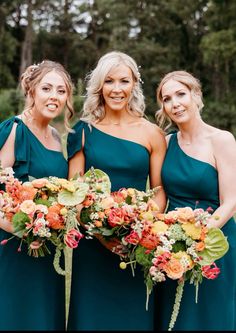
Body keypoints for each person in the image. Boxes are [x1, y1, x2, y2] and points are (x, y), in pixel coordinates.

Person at [67, 51, 167, 330]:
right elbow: (74, 192)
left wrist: (139, 230)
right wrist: (102, 234)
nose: (116, 89)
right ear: (99, 86)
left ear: (134, 83)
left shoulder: (152, 133)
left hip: (138, 245)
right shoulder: (82, 132)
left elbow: (159, 191)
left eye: (124, 81)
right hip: (92, 246)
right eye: (109, 81)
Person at [154, 70, 236, 330]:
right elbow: (158, 194)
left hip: (214, 242)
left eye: (181, 94)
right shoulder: (166, 143)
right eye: (167, 99)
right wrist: (171, 239)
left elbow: (231, 201)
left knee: (211, 316)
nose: (175, 103)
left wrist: (197, 238)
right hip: (172, 246)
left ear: (196, 96)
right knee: (176, 318)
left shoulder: (221, 140)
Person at [0, 60, 74, 330]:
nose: (54, 96)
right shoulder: (14, 130)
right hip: (15, 246)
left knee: (43, 318)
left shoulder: (55, 136)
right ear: (31, 91)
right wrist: (23, 229)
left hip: (47, 249)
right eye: (46, 88)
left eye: (61, 91)